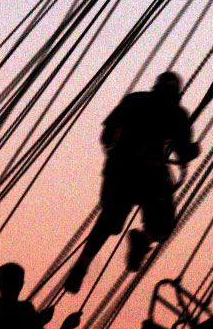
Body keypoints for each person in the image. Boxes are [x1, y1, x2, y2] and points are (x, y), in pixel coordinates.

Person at [64, 71, 199, 293]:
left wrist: (117, 150)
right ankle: (144, 239)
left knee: (109, 220)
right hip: (151, 177)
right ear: (176, 94)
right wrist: (193, 149)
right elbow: (185, 153)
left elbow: (106, 135)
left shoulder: (134, 100)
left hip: (119, 171)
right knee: (163, 222)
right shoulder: (177, 114)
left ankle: (83, 263)